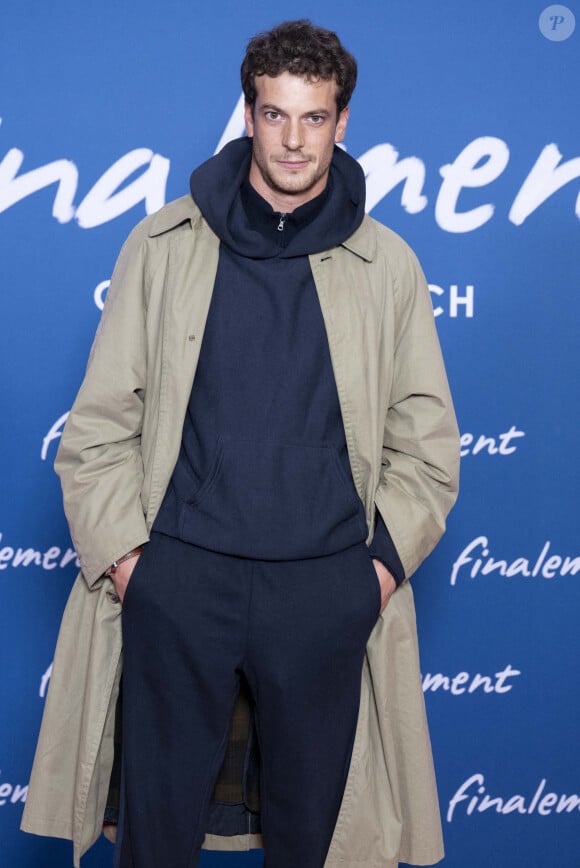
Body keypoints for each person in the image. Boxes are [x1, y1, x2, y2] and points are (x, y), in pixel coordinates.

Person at [21, 19, 460, 868]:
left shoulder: (389, 264)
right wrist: (130, 565)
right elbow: (100, 424)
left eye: (315, 117)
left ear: (343, 122)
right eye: (274, 115)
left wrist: (371, 573)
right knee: (154, 836)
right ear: (248, 114)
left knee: (316, 841)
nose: (294, 139)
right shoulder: (161, 244)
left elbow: (427, 442)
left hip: (325, 586)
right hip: (182, 580)